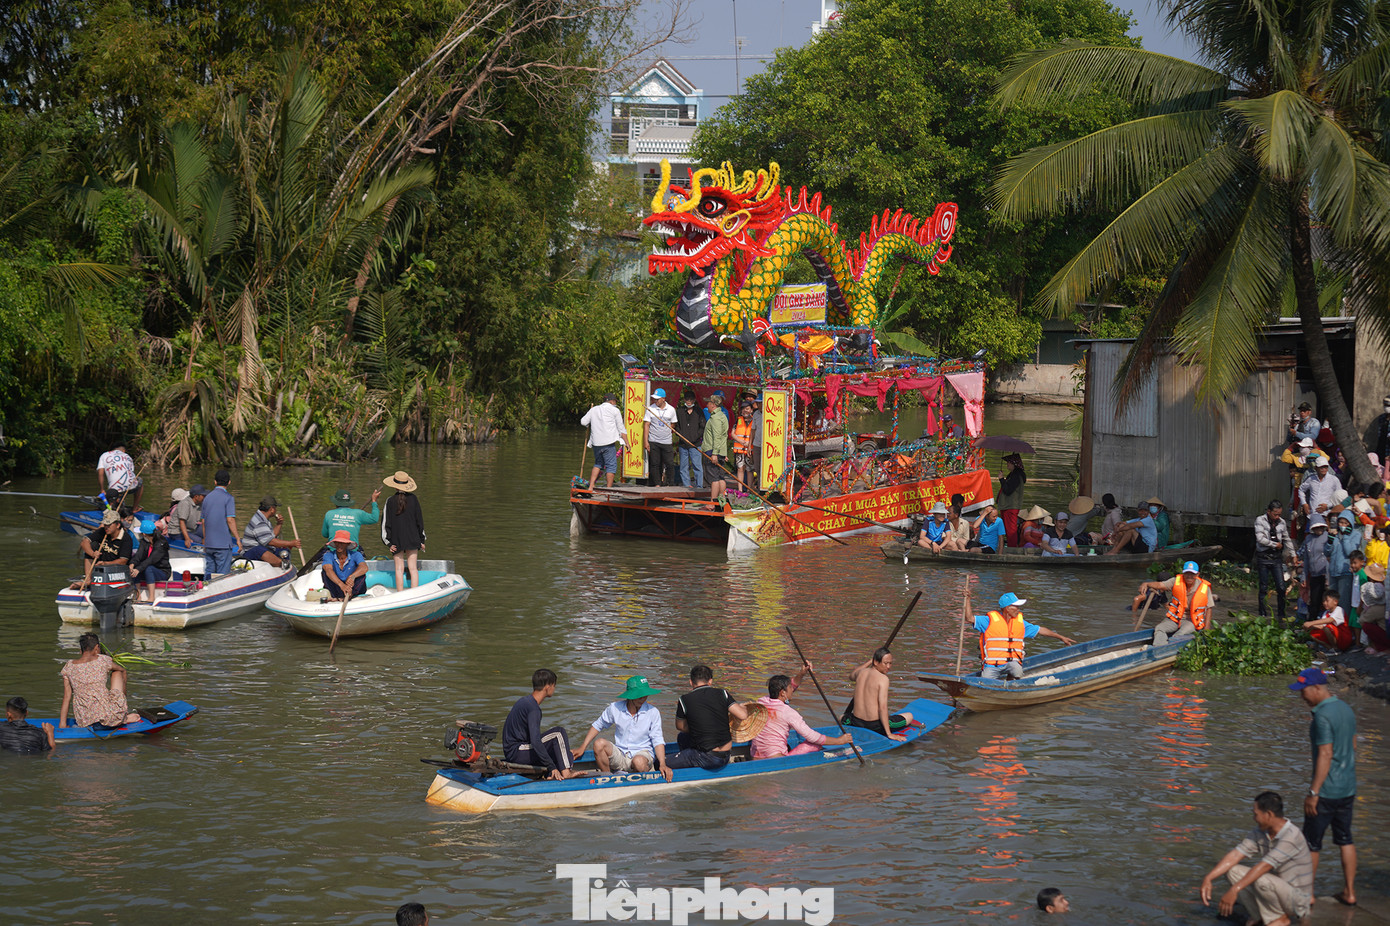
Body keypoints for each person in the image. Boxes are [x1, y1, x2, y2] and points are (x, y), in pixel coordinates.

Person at [1290, 667, 1358, 906]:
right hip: (1347, 788)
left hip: (1326, 791)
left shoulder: (1322, 716)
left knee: (1312, 844)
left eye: (1304, 691)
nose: (1302, 697)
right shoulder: (1345, 709)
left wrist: (1313, 792)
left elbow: (1326, 754)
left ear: (1317, 688)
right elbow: (1352, 744)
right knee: (1345, 839)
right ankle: (1349, 892)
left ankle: (1308, 894)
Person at [1199, 791, 1312, 926]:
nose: (1254, 818)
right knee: (1232, 870)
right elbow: (1236, 854)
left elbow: (1264, 866)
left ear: (1268, 814)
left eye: (1256, 814)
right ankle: (1258, 916)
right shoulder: (1260, 831)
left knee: (1259, 878)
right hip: (1278, 890)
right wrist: (1209, 878)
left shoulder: (1291, 836)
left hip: (1297, 900)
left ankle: (1280, 919)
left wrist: (1234, 890)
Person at [571, 676, 673, 781]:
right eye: (639, 696)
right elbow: (598, 725)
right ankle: (608, 777)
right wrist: (582, 747)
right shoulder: (615, 708)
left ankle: (646, 772)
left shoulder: (653, 712)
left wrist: (662, 764)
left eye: (645, 695)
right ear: (630, 696)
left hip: (642, 755)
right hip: (621, 754)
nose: (643, 699)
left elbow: (658, 740)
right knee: (599, 744)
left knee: (639, 762)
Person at [751, 664, 852, 759]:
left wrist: (802, 673)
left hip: (755, 757)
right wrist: (840, 741)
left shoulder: (761, 702)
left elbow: (792, 686)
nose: (793, 690)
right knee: (814, 744)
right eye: (790, 688)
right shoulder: (788, 712)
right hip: (777, 758)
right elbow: (812, 737)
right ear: (782, 693)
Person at [974, 592, 1077, 679]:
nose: (1018, 609)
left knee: (1017, 671)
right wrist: (968, 600)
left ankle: (1011, 683)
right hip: (992, 665)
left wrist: (1061, 637)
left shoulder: (1020, 623)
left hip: (1011, 662)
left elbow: (1041, 630)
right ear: (1007, 608)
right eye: (1016, 606)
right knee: (985, 680)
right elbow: (970, 618)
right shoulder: (988, 621)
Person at [667, 665, 748, 771]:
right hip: (726, 755)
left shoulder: (684, 699)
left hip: (707, 757)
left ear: (691, 682)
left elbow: (680, 726)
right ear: (710, 681)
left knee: (659, 762)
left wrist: (699, 728)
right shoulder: (722, 693)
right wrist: (744, 708)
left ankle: (691, 766)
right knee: (683, 737)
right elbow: (743, 715)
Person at [502, 669, 576, 780]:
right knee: (558, 733)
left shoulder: (525, 701)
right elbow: (536, 742)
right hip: (517, 753)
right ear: (548, 687)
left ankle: (549, 775)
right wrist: (552, 767)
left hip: (512, 752)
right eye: (554, 686)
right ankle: (566, 773)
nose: (554, 689)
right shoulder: (533, 709)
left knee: (565, 753)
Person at [59, 632, 140, 728]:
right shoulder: (103, 660)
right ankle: (122, 716)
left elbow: (67, 697)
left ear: (81, 650)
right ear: (97, 647)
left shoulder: (69, 666)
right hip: (108, 718)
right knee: (118, 672)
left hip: (84, 721)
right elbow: (123, 670)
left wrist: (62, 725)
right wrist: (123, 703)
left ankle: (117, 715)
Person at [847, 648, 916, 740]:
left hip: (856, 723)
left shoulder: (861, 673)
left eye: (890, 663)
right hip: (874, 726)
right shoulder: (883, 679)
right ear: (876, 662)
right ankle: (886, 729)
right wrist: (889, 734)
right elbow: (882, 708)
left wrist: (869, 662)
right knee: (909, 716)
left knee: (842, 717)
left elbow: (851, 676)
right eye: (885, 663)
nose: (888, 667)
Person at [1144, 561, 1213, 645]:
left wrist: (1207, 629)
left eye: (1192, 574)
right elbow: (1160, 585)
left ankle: (1168, 648)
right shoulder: (1176, 581)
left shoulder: (1204, 588)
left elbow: (1209, 608)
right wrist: (1146, 584)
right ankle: (1159, 648)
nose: (1189, 576)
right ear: (1183, 573)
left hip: (1191, 621)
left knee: (1179, 635)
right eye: (1187, 573)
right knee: (1159, 628)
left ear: (1197, 574)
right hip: (1175, 618)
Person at [382, 471, 426, 592]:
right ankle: (414, 594)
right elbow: (419, 521)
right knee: (413, 569)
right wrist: (421, 540)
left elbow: (386, 524)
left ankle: (400, 594)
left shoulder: (390, 501)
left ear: (394, 486)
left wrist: (388, 543)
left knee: (398, 569)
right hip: (413, 538)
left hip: (397, 539)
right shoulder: (414, 499)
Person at [1255, 500, 1294, 619]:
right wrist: (1274, 544)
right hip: (1263, 557)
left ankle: (1281, 614)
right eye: (1275, 514)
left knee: (1281, 586)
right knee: (1263, 587)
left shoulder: (1281, 522)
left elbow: (1287, 539)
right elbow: (1260, 539)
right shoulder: (1260, 520)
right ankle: (1262, 613)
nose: (1277, 517)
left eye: (1279, 514)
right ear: (1269, 511)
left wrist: (1293, 554)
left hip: (1276, 558)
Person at [581, 392, 627, 490]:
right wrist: (627, 443)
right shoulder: (615, 410)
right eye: (615, 401)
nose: (615, 403)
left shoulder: (594, 409)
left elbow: (583, 422)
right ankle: (608, 489)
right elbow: (621, 429)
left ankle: (591, 486)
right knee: (611, 466)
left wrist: (590, 423)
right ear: (611, 401)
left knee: (598, 463)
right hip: (608, 443)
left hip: (596, 443)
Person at [240, 496, 300, 567]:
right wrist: (290, 543)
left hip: (264, 548)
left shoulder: (264, 519)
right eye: (275, 508)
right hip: (250, 553)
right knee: (259, 550)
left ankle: (282, 563)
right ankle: (281, 563)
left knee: (284, 551)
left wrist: (279, 524)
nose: (276, 511)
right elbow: (271, 541)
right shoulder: (260, 521)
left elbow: (272, 536)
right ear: (272, 509)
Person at [200, 469, 239, 576]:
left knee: (209, 573)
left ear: (215, 482)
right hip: (223, 545)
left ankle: (206, 591)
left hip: (209, 544)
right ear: (229, 482)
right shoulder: (229, 498)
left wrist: (205, 539)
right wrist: (238, 539)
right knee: (222, 575)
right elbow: (230, 520)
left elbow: (203, 522)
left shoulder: (207, 498)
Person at [1325, 510, 1363, 617]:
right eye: (1341, 522)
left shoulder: (1356, 534)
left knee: (1343, 602)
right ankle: (1333, 625)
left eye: (1346, 523)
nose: (1343, 525)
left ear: (1350, 523)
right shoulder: (1335, 534)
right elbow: (1327, 552)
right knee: (1331, 601)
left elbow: (1350, 552)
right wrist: (1329, 541)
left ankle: (1344, 627)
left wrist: (1346, 536)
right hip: (1333, 572)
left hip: (1345, 572)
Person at [78, 509, 133, 580]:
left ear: (118, 525)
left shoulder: (126, 539)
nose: (106, 527)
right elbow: (84, 542)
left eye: (109, 524)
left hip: (116, 569)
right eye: (105, 524)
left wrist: (106, 563)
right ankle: (88, 579)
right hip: (101, 565)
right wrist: (93, 554)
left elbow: (123, 561)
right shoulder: (102, 531)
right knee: (92, 545)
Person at [1296, 516, 1331, 621]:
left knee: (1326, 601)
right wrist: (1304, 577)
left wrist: (1328, 578)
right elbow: (1306, 559)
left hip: (1325, 574)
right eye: (1317, 527)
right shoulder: (1308, 539)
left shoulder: (1328, 537)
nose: (1319, 529)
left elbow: (1330, 556)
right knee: (1314, 601)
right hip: (1314, 575)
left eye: (1321, 527)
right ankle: (1311, 624)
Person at [642, 388, 678, 487]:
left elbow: (673, 424)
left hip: (666, 441)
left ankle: (670, 483)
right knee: (655, 463)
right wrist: (646, 441)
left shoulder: (671, 409)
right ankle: (657, 483)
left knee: (670, 463)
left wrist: (667, 430)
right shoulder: (650, 409)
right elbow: (646, 425)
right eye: (654, 399)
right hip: (653, 440)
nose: (655, 401)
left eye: (657, 399)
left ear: (663, 399)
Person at [131, 515, 173, 601]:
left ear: (144, 534)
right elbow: (138, 555)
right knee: (136, 567)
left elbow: (152, 559)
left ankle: (151, 597)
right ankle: (138, 595)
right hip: (147, 567)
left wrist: (139, 569)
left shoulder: (161, 543)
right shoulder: (144, 542)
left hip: (162, 571)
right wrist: (132, 564)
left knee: (148, 568)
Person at [321, 529, 368, 601]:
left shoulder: (356, 554)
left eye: (342, 543)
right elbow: (328, 569)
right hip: (337, 587)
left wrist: (352, 577)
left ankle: (351, 595)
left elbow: (364, 567)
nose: (339, 545)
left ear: (347, 544)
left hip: (352, 586)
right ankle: (336, 597)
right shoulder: (328, 555)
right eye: (337, 542)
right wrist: (342, 585)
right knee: (325, 572)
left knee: (361, 575)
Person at [97, 440, 142, 510]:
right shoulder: (127, 456)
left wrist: (102, 490)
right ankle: (135, 508)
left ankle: (115, 500)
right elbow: (130, 474)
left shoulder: (104, 455)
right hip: (131, 487)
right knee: (139, 481)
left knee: (116, 488)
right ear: (123, 451)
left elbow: (100, 474)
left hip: (114, 490)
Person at [701, 393, 730, 502]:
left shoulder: (715, 418)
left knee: (714, 479)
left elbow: (717, 436)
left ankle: (713, 502)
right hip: (720, 451)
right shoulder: (722, 415)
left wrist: (714, 453)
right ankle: (722, 501)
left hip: (713, 451)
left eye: (708, 403)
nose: (707, 405)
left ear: (713, 404)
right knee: (720, 477)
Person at [674, 392, 705, 488]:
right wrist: (681, 435)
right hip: (683, 444)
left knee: (697, 466)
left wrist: (695, 437)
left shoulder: (699, 411)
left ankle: (699, 486)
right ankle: (686, 485)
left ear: (694, 400)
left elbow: (702, 427)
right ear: (684, 400)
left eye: (691, 400)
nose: (689, 402)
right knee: (683, 467)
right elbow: (676, 426)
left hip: (695, 444)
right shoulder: (679, 411)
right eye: (687, 400)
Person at [997, 453, 1026, 546]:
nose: (1007, 465)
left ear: (1014, 464)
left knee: (1011, 530)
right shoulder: (1013, 475)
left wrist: (1001, 479)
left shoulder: (1017, 476)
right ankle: (1010, 545)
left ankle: (1012, 548)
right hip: (1007, 506)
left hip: (1010, 506)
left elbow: (1008, 490)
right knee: (1008, 529)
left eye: (1009, 463)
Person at [731, 401, 755, 490]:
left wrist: (750, 443)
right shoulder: (739, 420)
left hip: (750, 450)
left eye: (747, 409)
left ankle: (749, 489)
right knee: (740, 468)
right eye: (743, 409)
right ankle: (740, 489)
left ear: (751, 410)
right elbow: (732, 433)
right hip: (739, 449)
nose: (745, 411)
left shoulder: (754, 420)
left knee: (750, 470)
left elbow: (757, 434)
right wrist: (740, 441)